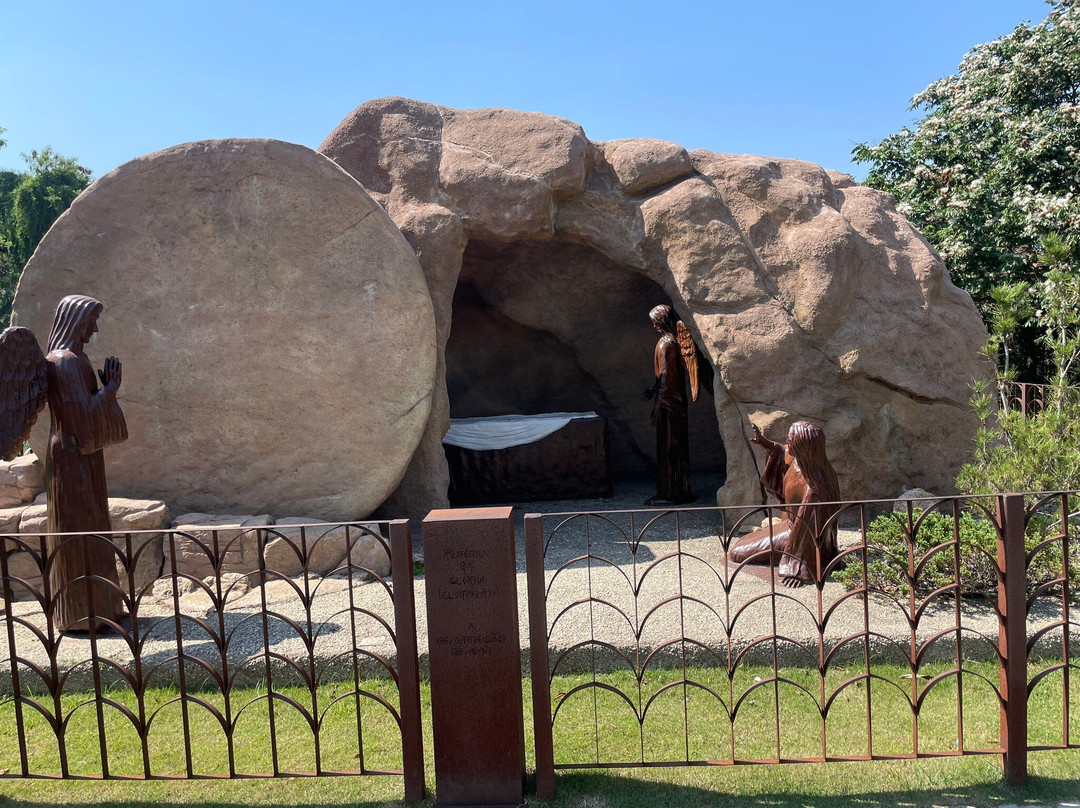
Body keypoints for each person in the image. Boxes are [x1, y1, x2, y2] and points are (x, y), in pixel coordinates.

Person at [44, 295, 128, 631]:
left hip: (83, 457)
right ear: (76, 321)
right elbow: (80, 420)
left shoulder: (77, 360)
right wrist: (110, 389)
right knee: (77, 534)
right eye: (91, 321)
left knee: (94, 530)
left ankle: (103, 606)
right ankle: (80, 614)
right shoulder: (63, 362)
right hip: (71, 460)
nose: (94, 328)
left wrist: (107, 391)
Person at [729, 421, 840, 587]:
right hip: (789, 524)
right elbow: (781, 451)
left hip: (797, 535)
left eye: (791, 439)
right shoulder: (799, 459)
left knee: (737, 552)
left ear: (803, 446)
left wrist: (796, 569)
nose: (787, 441)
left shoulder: (814, 490)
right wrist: (765, 443)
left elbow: (806, 535)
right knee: (742, 541)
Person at [642, 304, 693, 505]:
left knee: (669, 448)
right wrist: (653, 390)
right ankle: (676, 490)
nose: (654, 325)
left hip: (670, 404)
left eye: (655, 320)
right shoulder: (671, 342)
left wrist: (659, 402)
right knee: (673, 447)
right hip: (671, 401)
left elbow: (666, 377)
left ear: (661, 320)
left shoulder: (666, 344)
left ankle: (671, 493)